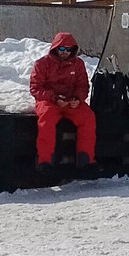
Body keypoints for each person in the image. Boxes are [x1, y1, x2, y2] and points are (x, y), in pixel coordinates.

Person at [29, 32, 96, 171]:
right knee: (46, 119)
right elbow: (35, 88)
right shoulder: (41, 64)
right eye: (62, 49)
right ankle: (45, 161)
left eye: (68, 49)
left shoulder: (78, 64)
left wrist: (78, 99)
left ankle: (86, 158)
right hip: (49, 101)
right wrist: (54, 98)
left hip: (70, 102)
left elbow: (83, 85)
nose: (65, 52)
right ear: (55, 48)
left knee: (88, 117)